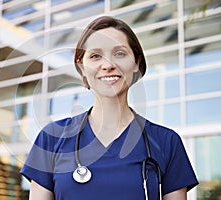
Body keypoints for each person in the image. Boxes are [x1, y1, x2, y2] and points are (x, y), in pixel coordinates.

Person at [20, 16, 198, 200]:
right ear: (82, 67)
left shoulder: (166, 142)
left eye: (120, 53)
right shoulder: (51, 138)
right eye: (96, 56)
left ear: (136, 63)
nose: (108, 65)